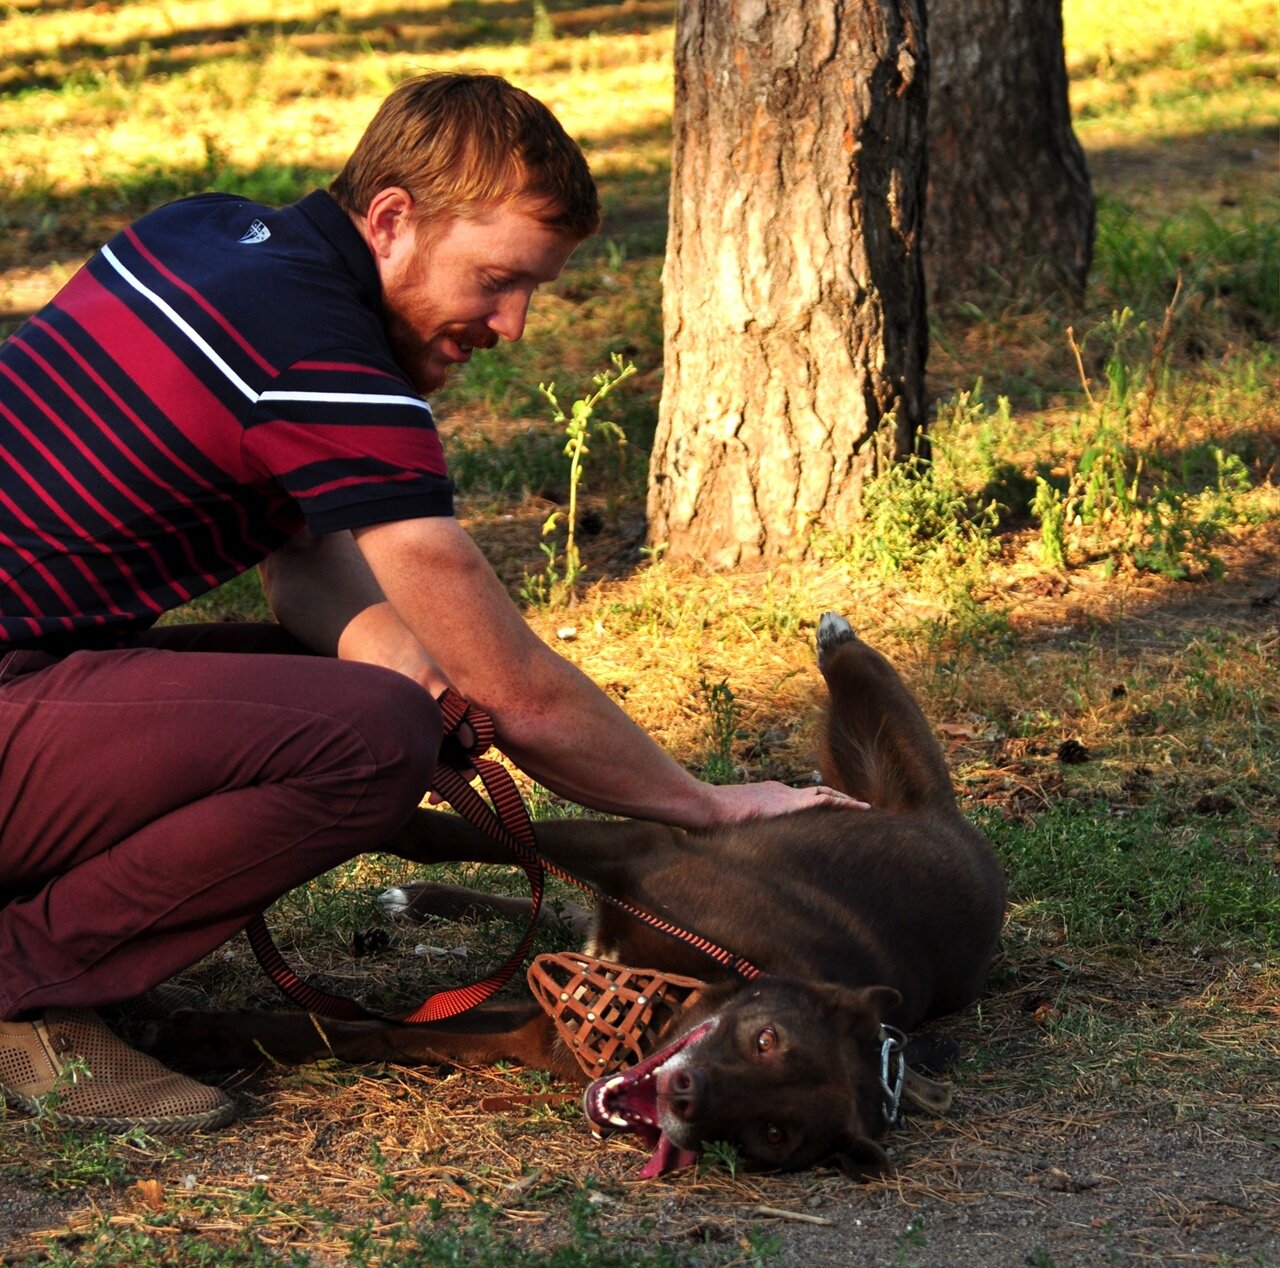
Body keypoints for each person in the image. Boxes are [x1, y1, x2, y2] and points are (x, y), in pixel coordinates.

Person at [0, 73, 863, 1135]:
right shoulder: (321, 349)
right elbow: (523, 694)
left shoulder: (210, 239)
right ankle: (24, 981)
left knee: (360, 702)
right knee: (366, 737)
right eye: (496, 280)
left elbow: (305, 563)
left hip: (27, 675)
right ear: (394, 220)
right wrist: (707, 802)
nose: (511, 322)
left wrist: (418, 673)